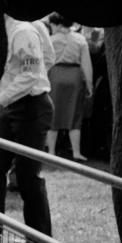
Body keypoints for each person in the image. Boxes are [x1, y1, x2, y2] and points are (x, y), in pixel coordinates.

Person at [0, 15, 54, 243]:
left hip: (33, 109)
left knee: (27, 175)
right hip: (14, 106)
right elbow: (48, 58)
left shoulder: (23, 32)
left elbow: (32, 73)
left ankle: (40, 238)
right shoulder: (9, 31)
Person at [46, 13, 93, 161]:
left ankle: (51, 152)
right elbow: (86, 64)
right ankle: (76, 152)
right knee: (75, 115)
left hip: (55, 76)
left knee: (53, 114)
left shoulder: (51, 40)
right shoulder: (80, 39)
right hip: (75, 77)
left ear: (59, 24)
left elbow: (46, 62)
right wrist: (89, 83)